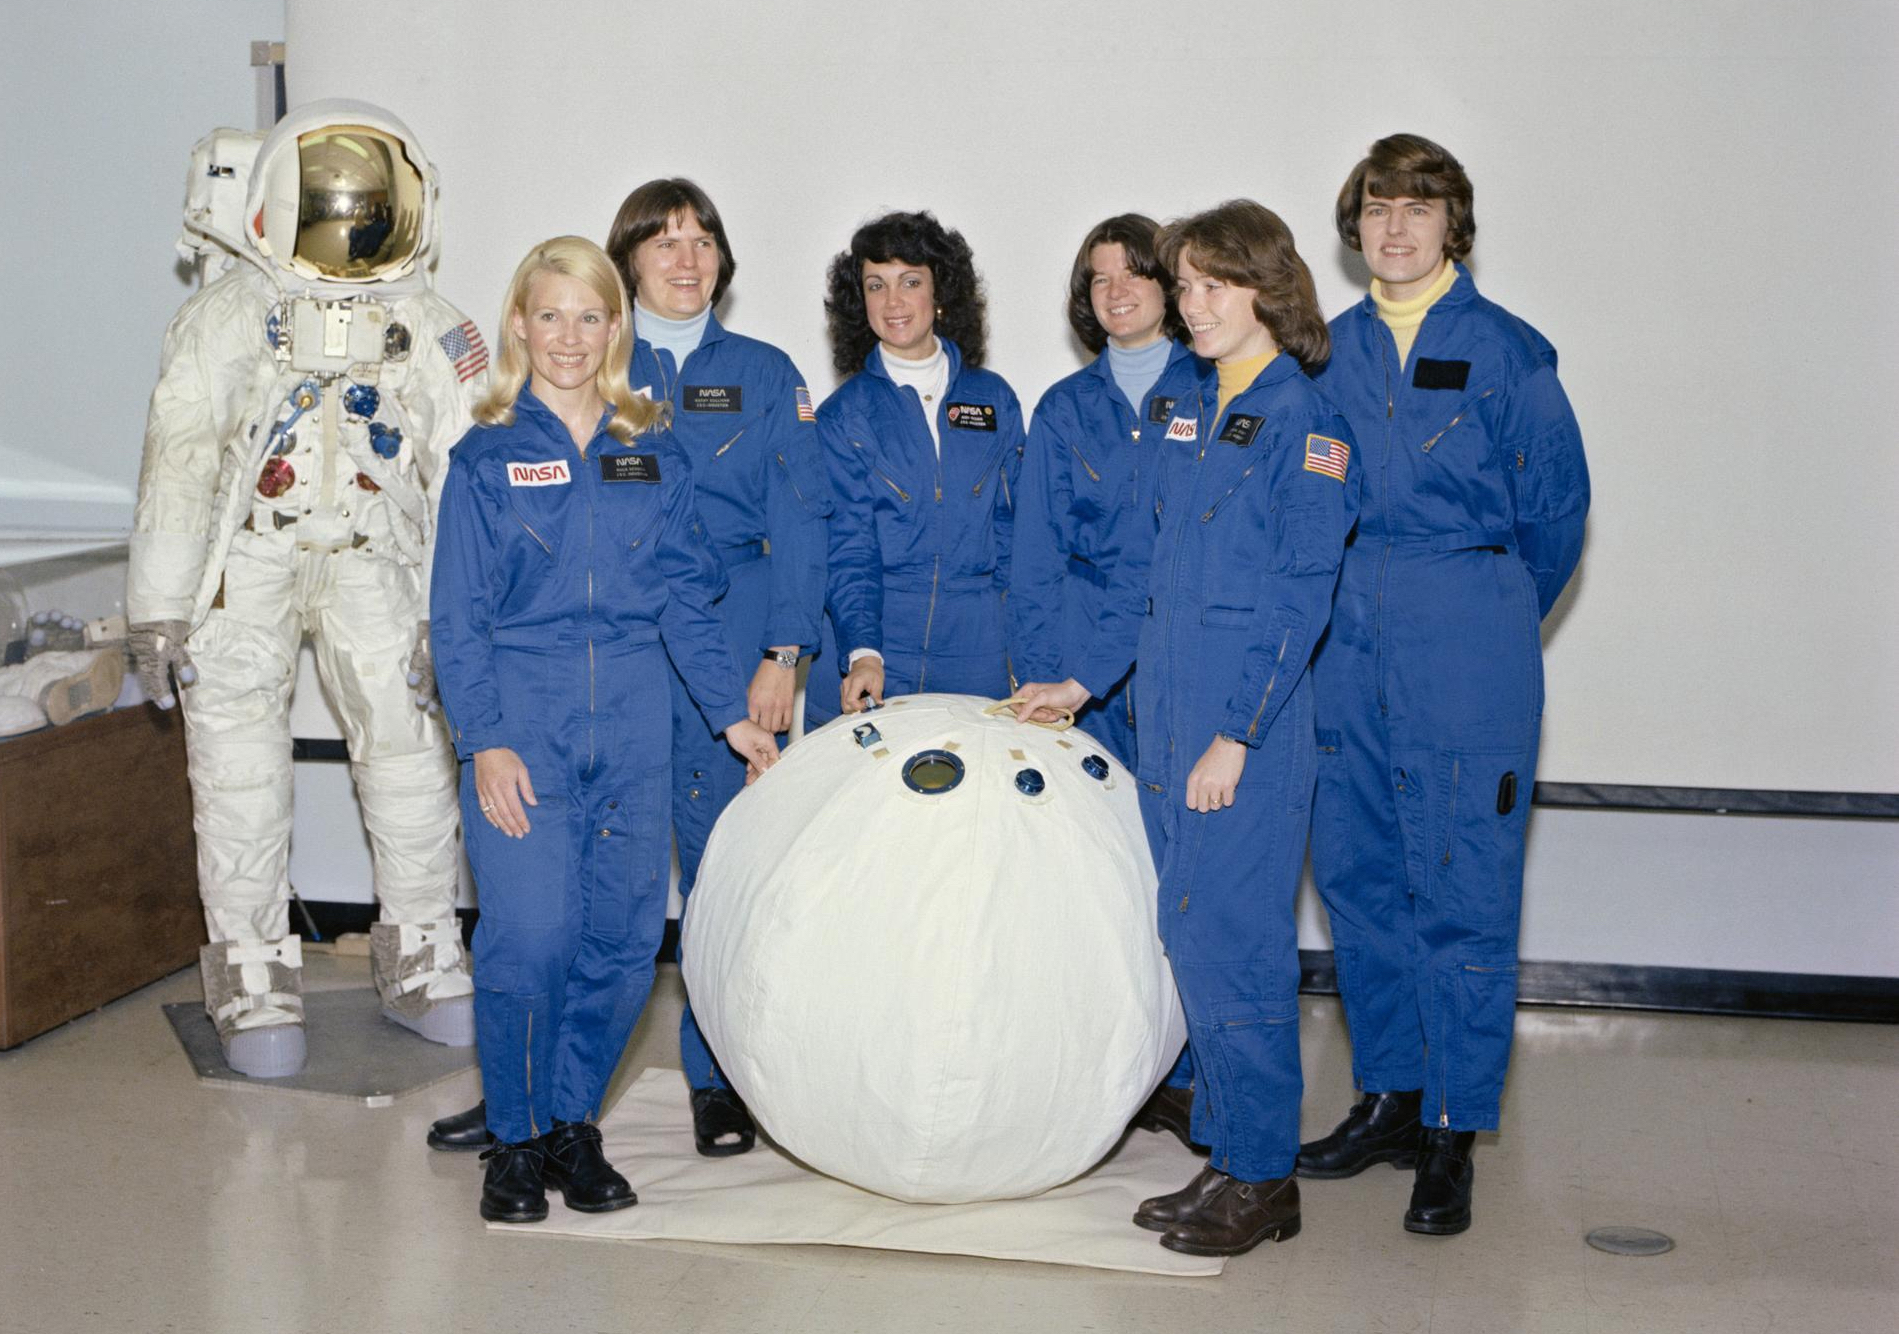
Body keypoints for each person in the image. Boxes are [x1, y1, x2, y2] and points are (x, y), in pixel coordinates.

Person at [427, 179, 830, 1160]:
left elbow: (687, 597)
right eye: (550, 315)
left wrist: (736, 715)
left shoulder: (650, 448)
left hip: (640, 718)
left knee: (617, 945)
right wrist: (482, 737)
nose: (570, 336)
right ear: (520, 324)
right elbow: (456, 619)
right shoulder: (485, 457)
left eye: (589, 317)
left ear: (616, 329)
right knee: (530, 933)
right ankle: (516, 1135)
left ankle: (569, 1122)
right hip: (528, 712)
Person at [1015, 201, 1360, 1257]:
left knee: (1237, 944)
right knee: (1190, 935)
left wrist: (1239, 735)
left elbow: (1301, 599)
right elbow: (1143, 577)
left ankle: (1264, 1175)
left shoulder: (1309, 421)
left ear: (1269, 291)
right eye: (1190, 285)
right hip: (1160, 709)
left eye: (1215, 286)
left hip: (1233, 730)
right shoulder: (1192, 410)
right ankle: (1230, 1149)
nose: (1195, 306)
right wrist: (1079, 680)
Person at [127, 102, 480, 1079]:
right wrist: (159, 605)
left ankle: (419, 948)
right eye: (332, 206)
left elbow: (473, 466)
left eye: (371, 207)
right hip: (251, 563)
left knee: (409, 754)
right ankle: (251, 970)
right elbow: (182, 458)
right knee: (238, 767)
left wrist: (458, 613)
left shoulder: (435, 327)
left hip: (379, 557)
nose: (352, 226)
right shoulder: (229, 315)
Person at [1297, 134, 1589, 1237]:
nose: (1397, 229)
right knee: (1364, 879)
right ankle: (1390, 1094)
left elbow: (1555, 520)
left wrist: (1484, 611)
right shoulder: (1331, 354)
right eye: (1377, 209)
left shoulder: (1511, 354)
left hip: (1465, 642)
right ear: (1356, 223)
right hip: (1348, 644)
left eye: (1419, 209)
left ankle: (1453, 1128)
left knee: (1462, 887)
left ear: (1452, 225)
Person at [1007, 214, 1203, 1147]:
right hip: (1076, 676)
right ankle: (1109, 1070)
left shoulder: (1212, 387)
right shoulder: (1061, 408)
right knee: (1095, 878)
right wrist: (1044, 679)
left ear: (1171, 286)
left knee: (1184, 875)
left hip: (1174, 665)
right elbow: (1034, 556)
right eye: (1096, 281)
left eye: (1134, 274)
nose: (1115, 292)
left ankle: (1195, 1073)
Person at [808, 211, 1023, 727]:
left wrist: (1027, 653)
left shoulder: (994, 401)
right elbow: (849, 547)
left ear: (940, 292)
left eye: (910, 282)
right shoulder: (843, 416)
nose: (893, 302)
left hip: (979, 650)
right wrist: (863, 651)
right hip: (880, 650)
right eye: (876, 285)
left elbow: (1018, 535)